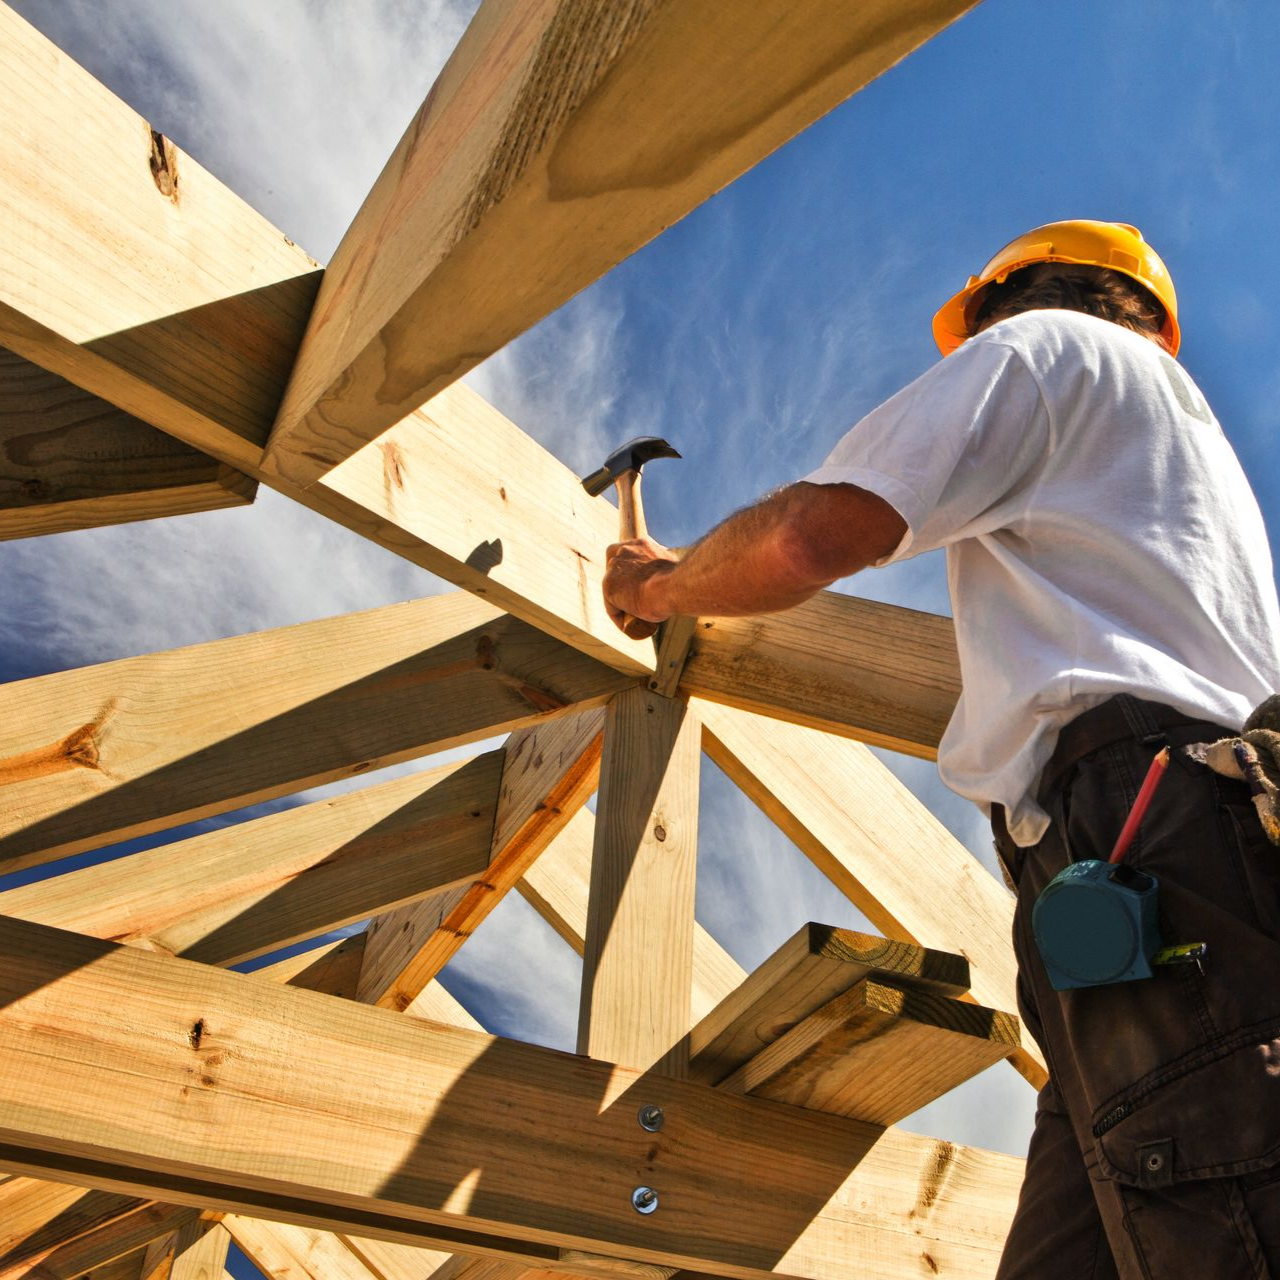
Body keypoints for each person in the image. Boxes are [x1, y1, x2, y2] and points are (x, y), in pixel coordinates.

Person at [602, 220, 1280, 1278]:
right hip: (1153, 876)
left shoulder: (1043, 347)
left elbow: (805, 536)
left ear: (1008, 301)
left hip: (1144, 838)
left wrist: (659, 583)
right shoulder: (1175, 456)